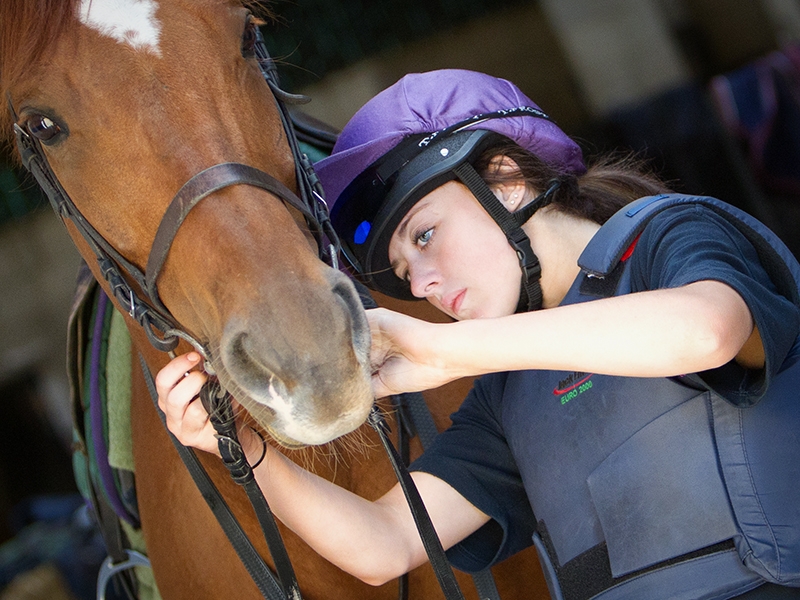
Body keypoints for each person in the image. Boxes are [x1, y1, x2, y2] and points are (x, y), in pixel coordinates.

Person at [157, 70, 800, 600]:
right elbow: (385, 543)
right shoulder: (506, 396)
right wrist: (240, 445)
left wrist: (436, 350)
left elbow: (708, 332)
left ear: (504, 178)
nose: (426, 285)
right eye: (407, 274)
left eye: (426, 236)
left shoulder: (668, 233)